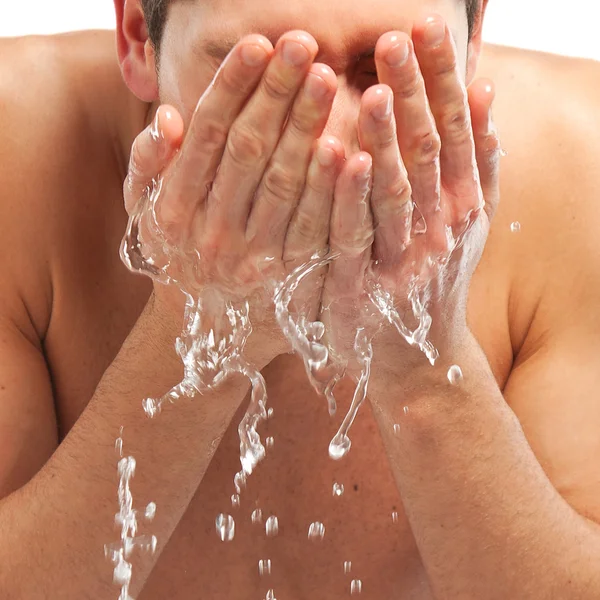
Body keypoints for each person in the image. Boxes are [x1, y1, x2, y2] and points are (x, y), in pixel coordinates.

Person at [0, 0, 599, 597]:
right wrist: (192, 331)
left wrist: (424, 364)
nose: (330, 147)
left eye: (379, 75)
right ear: (139, 38)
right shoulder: (17, 147)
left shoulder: (582, 167)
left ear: (470, 46)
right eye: (263, 79)